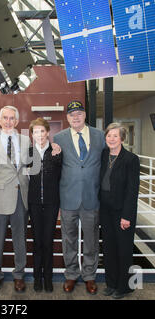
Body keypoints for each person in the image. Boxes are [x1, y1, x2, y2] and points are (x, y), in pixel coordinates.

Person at [53, 100, 105, 295]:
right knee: (69, 239)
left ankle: (90, 276)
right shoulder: (59, 138)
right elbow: (55, 170)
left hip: (92, 197)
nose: (75, 117)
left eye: (79, 113)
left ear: (85, 115)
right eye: (72, 114)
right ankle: (72, 274)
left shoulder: (100, 136)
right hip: (68, 199)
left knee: (91, 239)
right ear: (67, 118)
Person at [0, 105, 31, 294]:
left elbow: (32, 168)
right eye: (5, 118)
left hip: (21, 198)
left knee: (20, 241)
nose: (9, 121)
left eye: (12, 118)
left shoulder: (26, 141)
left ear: (17, 121)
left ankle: (19, 275)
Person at [99, 123, 140, 299]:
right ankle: (112, 283)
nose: (112, 139)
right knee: (108, 249)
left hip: (122, 212)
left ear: (122, 138)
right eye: (109, 135)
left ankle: (124, 287)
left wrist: (127, 216)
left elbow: (132, 190)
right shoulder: (103, 155)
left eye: (115, 136)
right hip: (105, 210)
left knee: (123, 250)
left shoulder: (131, 159)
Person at [28, 118, 62, 293]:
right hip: (34, 204)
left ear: (48, 132)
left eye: (42, 131)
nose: (39, 135)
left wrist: (61, 206)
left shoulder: (56, 152)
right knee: (37, 243)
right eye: (35, 132)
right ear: (32, 134)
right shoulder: (28, 152)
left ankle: (48, 279)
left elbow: (61, 178)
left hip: (51, 204)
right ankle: (37, 279)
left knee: (48, 242)